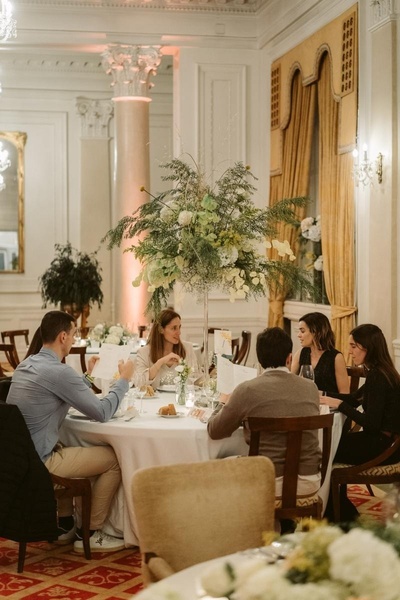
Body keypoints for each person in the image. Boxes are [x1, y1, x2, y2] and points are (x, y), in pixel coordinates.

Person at [7, 310, 135, 553]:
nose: (75, 339)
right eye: (74, 334)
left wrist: (86, 377)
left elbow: (58, 394)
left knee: (72, 445)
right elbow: (102, 412)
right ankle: (90, 531)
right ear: (63, 336)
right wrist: (124, 381)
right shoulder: (59, 371)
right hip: (39, 465)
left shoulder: (27, 364)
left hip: (18, 462)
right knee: (113, 459)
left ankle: (65, 525)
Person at [207, 327, 322, 527]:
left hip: (266, 481)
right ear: (289, 358)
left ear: (259, 360)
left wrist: (223, 402)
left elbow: (215, 431)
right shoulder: (311, 388)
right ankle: (286, 525)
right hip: (308, 480)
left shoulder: (247, 390)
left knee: (217, 465)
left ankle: (235, 530)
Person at [321, 323, 400, 521]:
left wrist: (339, 405)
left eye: (354, 346)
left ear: (368, 347)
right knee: (325, 446)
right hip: (381, 441)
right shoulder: (380, 371)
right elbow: (355, 398)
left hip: (383, 446)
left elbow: (371, 424)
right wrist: (321, 394)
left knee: (323, 449)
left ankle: (341, 515)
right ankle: (338, 512)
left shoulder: (378, 376)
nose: (349, 351)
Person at [135, 308, 198, 389]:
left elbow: (196, 379)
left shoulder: (187, 348)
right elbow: (139, 383)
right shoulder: (144, 352)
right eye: (174, 328)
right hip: (155, 401)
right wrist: (160, 362)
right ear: (161, 330)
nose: (179, 332)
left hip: (181, 400)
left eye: (179, 327)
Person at [291, 312, 349, 394]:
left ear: (316, 332)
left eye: (303, 331)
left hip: (328, 405)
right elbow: (290, 383)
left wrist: (321, 394)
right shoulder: (300, 353)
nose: (298, 335)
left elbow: (345, 393)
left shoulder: (336, 357)